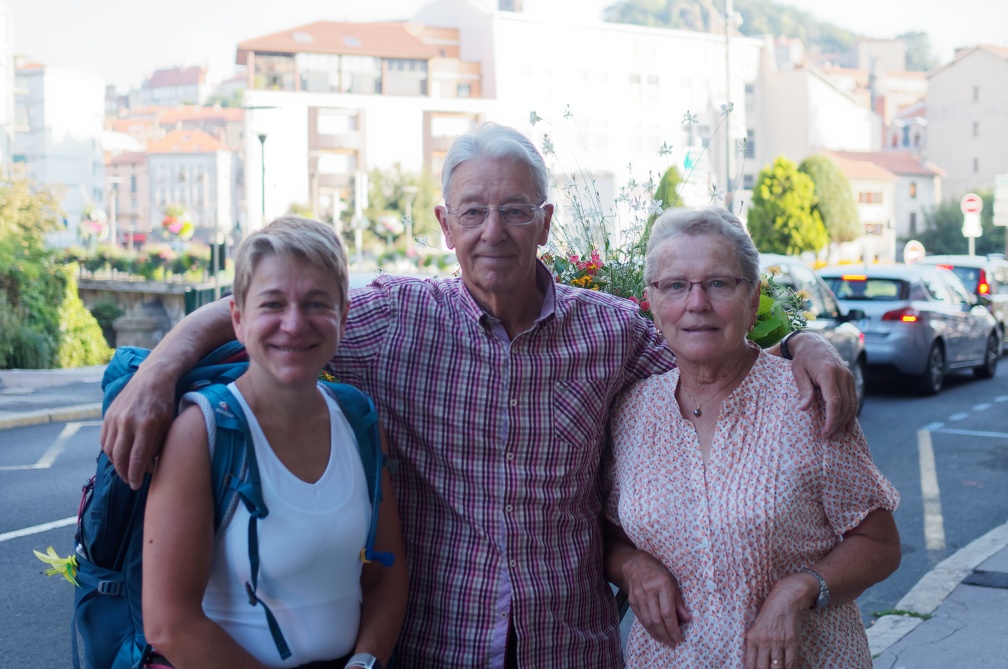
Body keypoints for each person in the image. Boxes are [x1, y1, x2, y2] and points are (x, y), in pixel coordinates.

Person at [103, 124, 857, 668]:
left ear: (547, 222)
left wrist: (803, 345)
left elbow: (717, 348)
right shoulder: (394, 319)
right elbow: (279, 304)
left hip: (572, 643)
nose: (492, 230)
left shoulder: (611, 332)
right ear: (444, 225)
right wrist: (159, 370)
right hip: (436, 641)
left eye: (515, 209)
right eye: (473, 210)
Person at [603, 207, 901, 669]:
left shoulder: (805, 400)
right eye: (676, 285)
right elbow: (607, 532)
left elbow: (879, 544)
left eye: (719, 283)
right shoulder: (631, 411)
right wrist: (630, 566)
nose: (696, 303)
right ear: (652, 301)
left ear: (753, 296)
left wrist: (800, 588)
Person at [142, 217, 407, 669]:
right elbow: (170, 624)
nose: (294, 324)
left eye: (316, 303)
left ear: (343, 315)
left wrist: (365, 663)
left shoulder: (358, 419)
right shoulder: (202, 432)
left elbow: (386, 575)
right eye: (272, 304)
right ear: (239, 319)